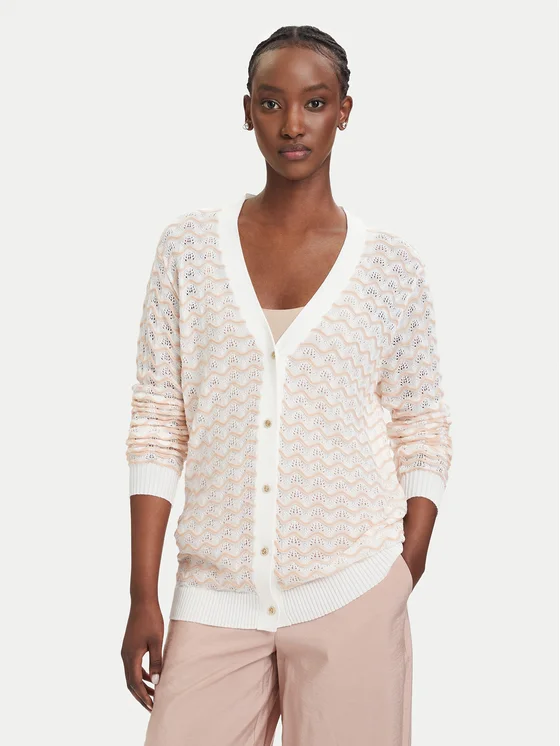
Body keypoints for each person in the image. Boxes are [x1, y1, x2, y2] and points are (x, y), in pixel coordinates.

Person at [121, 24, 453, 746]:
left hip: (353, 589)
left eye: (315, 102)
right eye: (272, 103)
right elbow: (158, 422)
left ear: (344, 111)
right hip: (214, 597)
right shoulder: (188, 251)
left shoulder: (389, 268)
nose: (293, 124)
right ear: (247, 112)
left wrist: (408, 561)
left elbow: (421, 423)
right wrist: (144, 592)